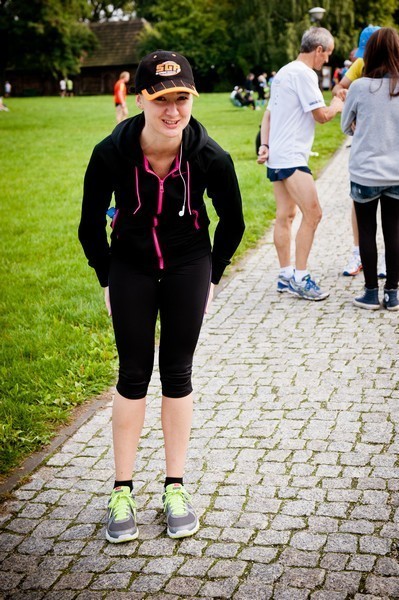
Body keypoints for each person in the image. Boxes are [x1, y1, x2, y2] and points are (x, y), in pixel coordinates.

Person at [78, 49, 245, 543]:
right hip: (129, 264)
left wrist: (211, 279)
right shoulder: (110, 153)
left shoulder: (210, 156)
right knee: (132, 373)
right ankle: (122, 491)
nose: (173, 112)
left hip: (188, 263)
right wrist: (106, 278)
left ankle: (175, 487)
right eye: (161, 100)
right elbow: (89, 226)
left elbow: (232, 223)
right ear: (141, 100)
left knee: (177, 370)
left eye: (182, 99)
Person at [257, 27, 343, 301]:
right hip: (292, 156)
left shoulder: (283, 72)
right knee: (314, 213)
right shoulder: (305, 74)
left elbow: (268, 114)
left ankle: (284, 275)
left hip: (278, 156)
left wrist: (265, 145)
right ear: (318, 50)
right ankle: (301, 277)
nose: (327, 60)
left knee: (286, 216)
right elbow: (321, 116)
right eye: (327, 54)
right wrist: (338, 105)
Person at [341, 28, 399, 311]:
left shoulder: (359, 87)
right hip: (397, 172)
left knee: (367, 230)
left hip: (365, 171)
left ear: (370, 54)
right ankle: (393, 293)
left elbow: (344, 125)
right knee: (394, 231)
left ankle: (371, 292)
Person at [333, 25, 383, 278]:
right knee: (361, 205)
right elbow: (339, 89)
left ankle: (384, 259)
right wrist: (344, 92)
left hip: (388, 150)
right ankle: (358, 253)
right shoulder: (360, 65)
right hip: (366, 151)